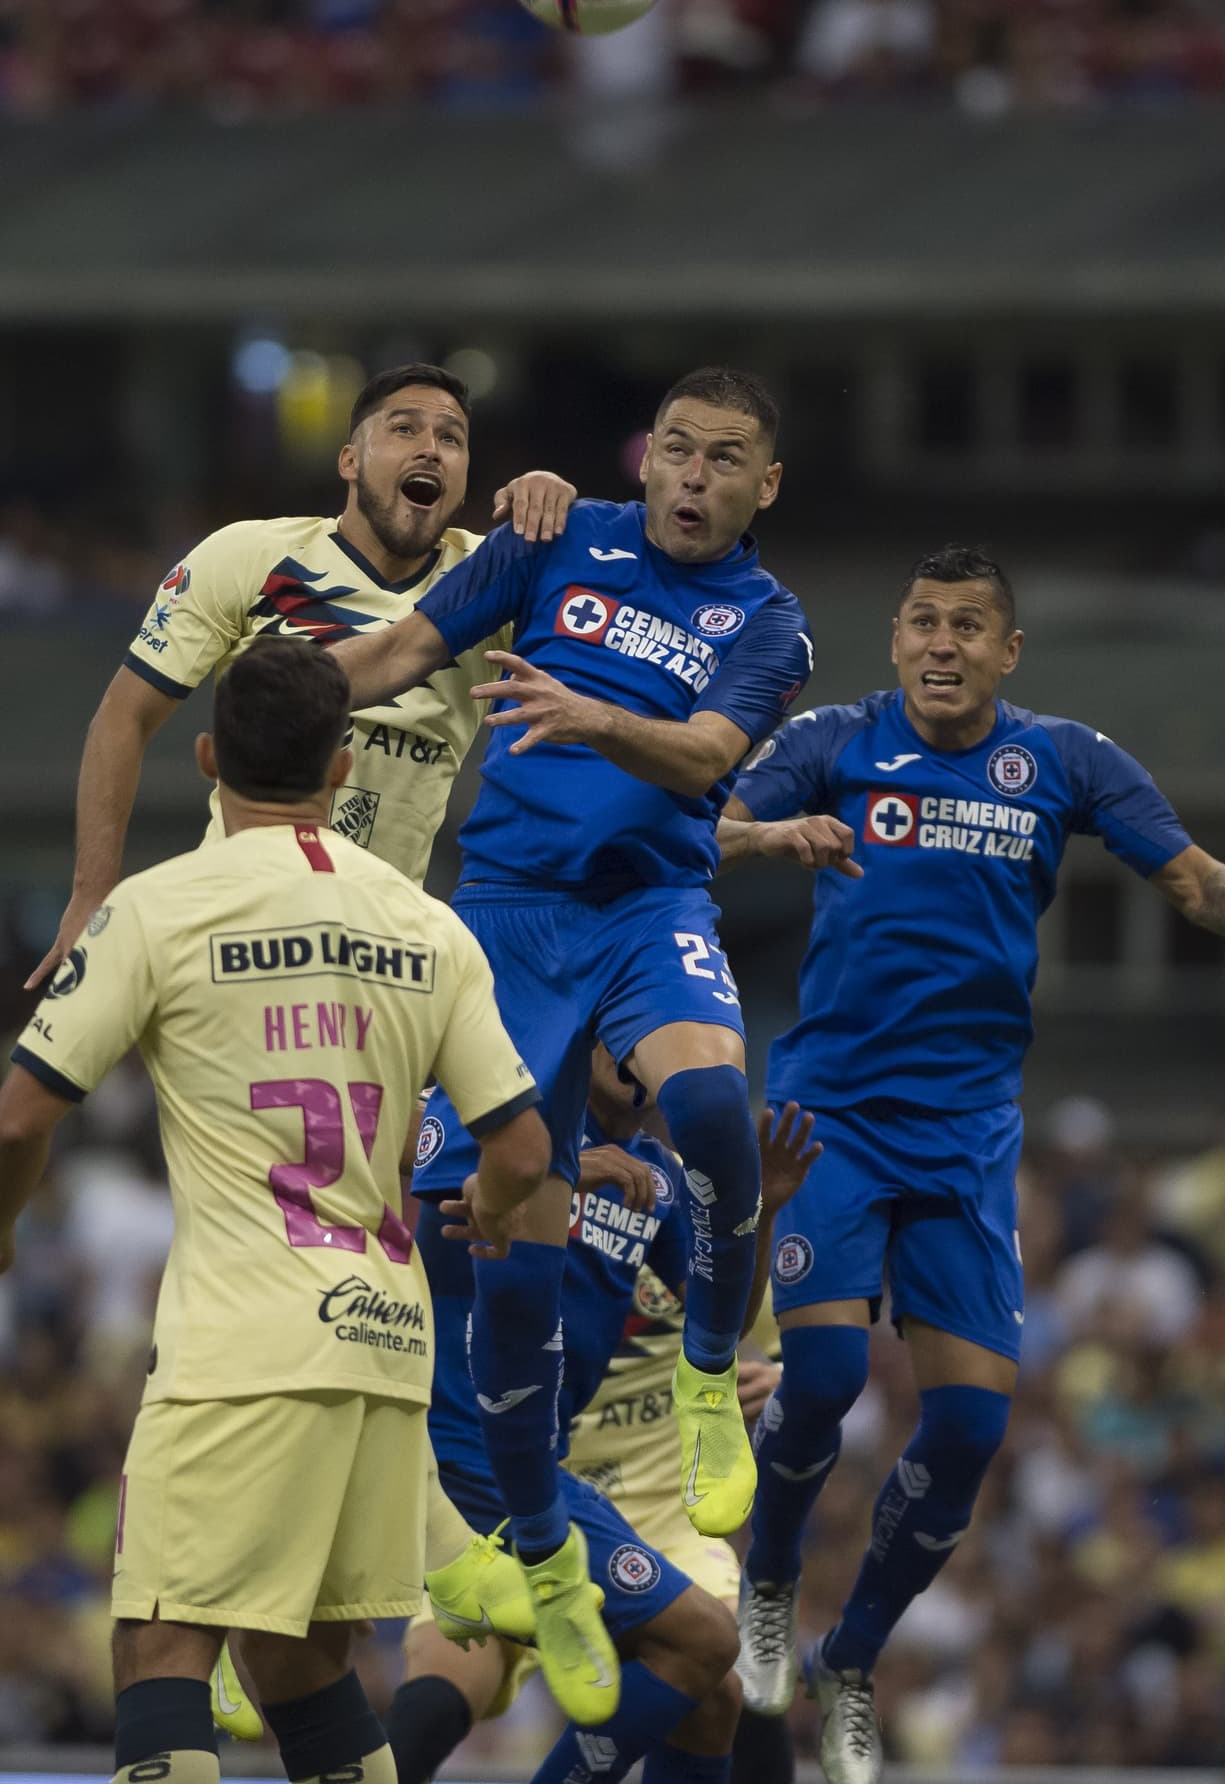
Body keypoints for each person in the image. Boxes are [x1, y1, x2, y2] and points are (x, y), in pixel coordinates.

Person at [716, 543, 1225, 1784]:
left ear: (1006, 652)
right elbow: (705, 827)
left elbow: (1188, 881)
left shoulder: (1064, 761)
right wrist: (764, 839)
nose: (938, 643)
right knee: (815, 1375)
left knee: (968, 1424)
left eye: (966, 626)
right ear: (897, 640)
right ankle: (768, 1580)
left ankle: (850, 1659)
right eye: (921, 621)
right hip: (832, 1117)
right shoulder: (835, 740)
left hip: (966, 1137)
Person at [0, 638, 551, 1784]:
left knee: (162, 1642)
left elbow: (17, 1121)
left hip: (242, 1343)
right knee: (298, 1661)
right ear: (343, 769)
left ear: (206, 759)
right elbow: (522, 1147)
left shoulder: (162, 910)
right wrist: (495, 1214)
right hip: (386, 1349)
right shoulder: (426, 925)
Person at [331, 366, 814, 1662]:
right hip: (504, 920)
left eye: (724, 462)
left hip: (647, 906)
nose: (694, 480)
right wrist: (272, 706)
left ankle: (710, 1362)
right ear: (644, 459)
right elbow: (396, 652)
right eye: (677, 453)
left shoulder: (771, 620)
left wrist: (590, 712)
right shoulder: (555, 538)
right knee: (514, 1266)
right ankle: (539, 1548)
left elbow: (710, 757)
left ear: (763, 486)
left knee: (712, 1103)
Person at [26, 361, 577, 991]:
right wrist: (90, 896)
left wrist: (564, 509)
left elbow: (623, 654)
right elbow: (124, 717)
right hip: (237, 925)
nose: (431, 447)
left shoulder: (494, 577)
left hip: (385, 946)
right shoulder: (247, 555)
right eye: (405, 428)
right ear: (349, 460)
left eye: (451, 438)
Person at [390, 1045, 819, 1783]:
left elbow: (720, 1320)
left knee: (713, 1680)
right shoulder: (501, 1119)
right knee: (699, 1647)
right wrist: (555, 1166)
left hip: (551, 1473)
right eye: (616, 1038)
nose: (635, 1053)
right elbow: (443, 1188)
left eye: (649, 1038)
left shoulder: (666, 1180)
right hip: (471, 1465)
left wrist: (761, 1212)